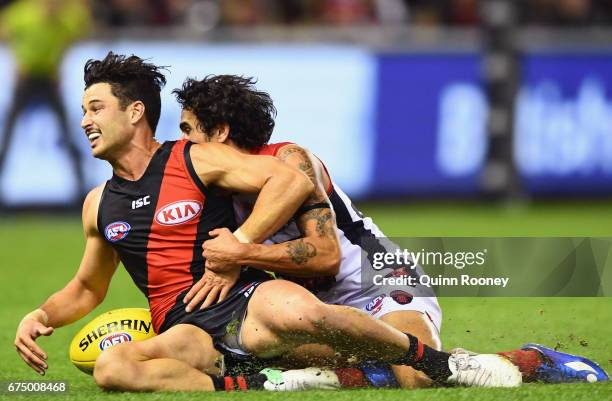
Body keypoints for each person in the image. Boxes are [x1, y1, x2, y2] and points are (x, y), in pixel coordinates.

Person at [14, 52, 522, 392]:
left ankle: (451, 362)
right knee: (112, 368)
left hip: (364, 279)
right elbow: (87, 285)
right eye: (82, 110)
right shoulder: (99, 203)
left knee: (407, 374)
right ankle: (260, 382)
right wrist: (41, 315)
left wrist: (239, 247)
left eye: (95, 107)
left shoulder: (209, 161)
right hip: (193, 318)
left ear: (134, 113)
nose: (84, 120)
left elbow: (309, 222)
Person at [174, 74, 610, 387]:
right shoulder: (209, 189)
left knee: (418, 377)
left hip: (376, 281)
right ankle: (379, 365)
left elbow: (325, 256)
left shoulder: (290, 160)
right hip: (314, 306)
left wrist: (241, 253)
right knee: (250, 359)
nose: (182, 144)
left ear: (221, 132)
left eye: (188, 131)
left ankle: (535, 360)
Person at [0, 0, 89, 202]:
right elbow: (5, 32)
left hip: (48, 78)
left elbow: (80, 31)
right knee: (8, 134)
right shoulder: (22, 13)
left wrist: (59, 61)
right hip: (28, 76)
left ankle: (80, 188)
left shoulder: (68, 15)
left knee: (67, 132)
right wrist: (17, 59)